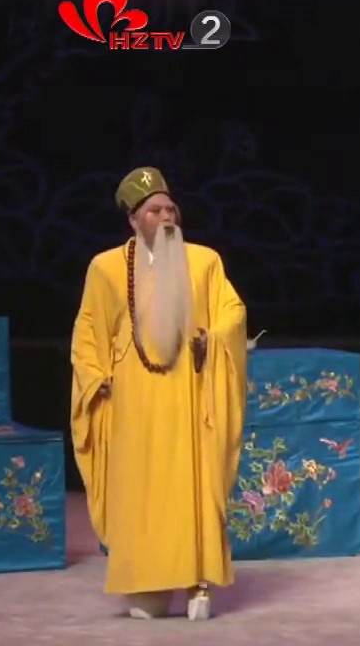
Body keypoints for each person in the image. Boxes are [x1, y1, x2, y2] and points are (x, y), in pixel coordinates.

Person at [70, 167, 248, 621]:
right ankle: (147, 587)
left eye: (171, 209)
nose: (167, 217)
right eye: (155, 211)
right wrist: (94, 376)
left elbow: (232, 310)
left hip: (188, 390)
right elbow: (88, 329)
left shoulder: (204, 261)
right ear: (134, 219)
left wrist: (213, 338)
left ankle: (196, 583)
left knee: (190, 484)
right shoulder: (106, 267)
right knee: (141, 490)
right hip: (134, 397)